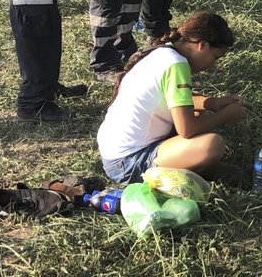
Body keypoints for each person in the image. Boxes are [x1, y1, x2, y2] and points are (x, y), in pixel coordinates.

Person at [96, 12, 247, 184]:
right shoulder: (177, 65)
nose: (212, 65)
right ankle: (186, 172)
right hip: (128, 162)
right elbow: (187, 129)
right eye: (215, 58)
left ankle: (196, 168)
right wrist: (224, 117)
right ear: (202, 45)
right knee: (213, 144)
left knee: (199, 113)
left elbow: (174, 98)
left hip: (115, 156)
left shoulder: (164, 51)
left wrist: (213, 103)